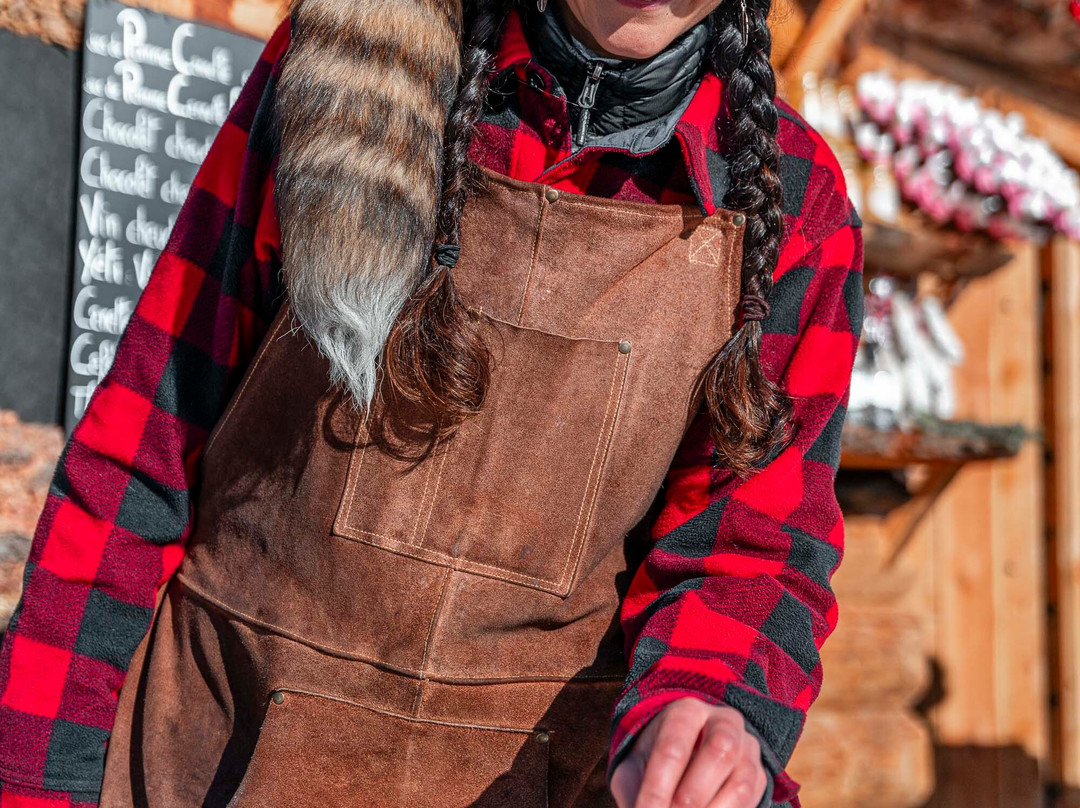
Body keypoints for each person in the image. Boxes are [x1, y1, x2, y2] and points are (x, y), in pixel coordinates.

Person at [0, 0, 863, 806]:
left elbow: (754, 544)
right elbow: (142, 445)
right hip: (213, 754)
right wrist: (34, 782)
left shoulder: (789, 202)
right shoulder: (353, 68)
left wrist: (711, 704)